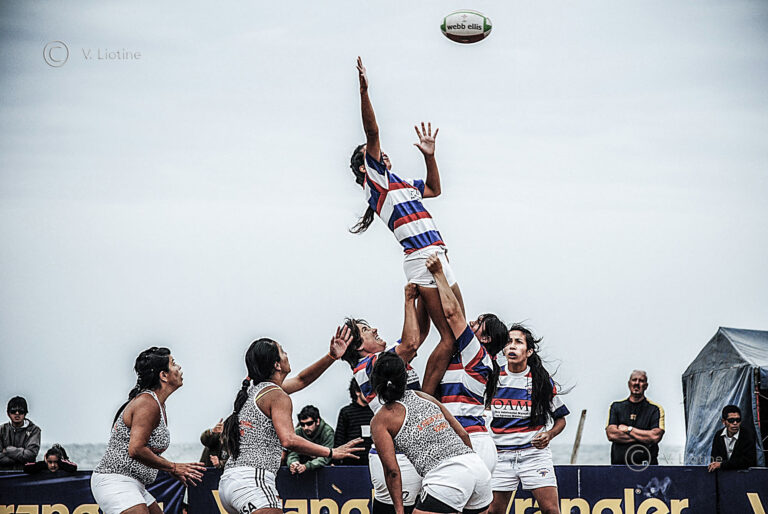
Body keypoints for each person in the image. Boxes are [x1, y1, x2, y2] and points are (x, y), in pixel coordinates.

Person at [349, 57, 466, 398]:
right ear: (365, 167)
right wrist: (364, 91)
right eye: (374, 154)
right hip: (422, 258)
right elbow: (372, 131)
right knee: (451, 337)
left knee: (457, 331)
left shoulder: (401, 183)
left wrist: (430, 156)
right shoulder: (377, 182)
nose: (382, 154)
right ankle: (426, 398)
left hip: (437, 254)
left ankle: (433, 390)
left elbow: (434, 189)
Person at [219, 333, 363, 514]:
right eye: (283, 351)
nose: (287, 354)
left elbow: (302, 380)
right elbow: (288, 440)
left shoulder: (255, 392)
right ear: (277, 365)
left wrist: (331, 356)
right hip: (253, 481)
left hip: (229, 482)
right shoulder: (276, 395)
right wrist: (331, 452)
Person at [340, 284, 428, 514]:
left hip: (404, 454)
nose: (375, 329)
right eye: (366, 329)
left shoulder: (381, 359)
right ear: (359, 346)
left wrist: (425, 295)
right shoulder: (371, 364)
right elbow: (411, 343)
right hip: (399, 458)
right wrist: (408, 299)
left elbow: (418, 334)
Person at [370, 352, 492, 514]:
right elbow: (463, 434)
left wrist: (399, 511)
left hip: (448, 476)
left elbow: (392, 471)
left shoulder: (380, 420)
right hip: (477, 468)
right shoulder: (423, 396)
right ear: (405, 377)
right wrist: (469, 466)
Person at [91, 347, 206, 514]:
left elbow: (147, 450)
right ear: (163, 375)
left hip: (135, 484)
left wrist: (169, 469)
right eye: (173, 363)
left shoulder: (157, 404)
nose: (179, 367)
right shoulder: (147, 402)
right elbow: (136, 449)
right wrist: (173, 467)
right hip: (115, 480)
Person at [424, 254, 509, 473]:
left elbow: (454, 314)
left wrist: (439, 274)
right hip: (465, 440)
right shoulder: (469, 357)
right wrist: (445, 273)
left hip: (470, 440)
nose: (471, 322)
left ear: (486, 339)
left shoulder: (477, 354)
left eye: (479, 322)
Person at [487, 325, 570, 514]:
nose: (512, 346)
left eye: (518, 342)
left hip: (533, 455)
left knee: (551, 510)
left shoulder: (540, 380)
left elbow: (561, 419)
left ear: (529, 351)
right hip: (500, 456)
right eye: (508, 342)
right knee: (493, 512)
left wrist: (549, 434)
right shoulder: (493, 377)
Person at [606, 370, 665, 466]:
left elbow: (655, 436)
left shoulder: (655, 409)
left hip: (647, 467)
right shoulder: (616, 407)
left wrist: (628, 429)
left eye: (641, 381)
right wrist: (644, 437)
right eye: (634, 380)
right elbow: (611, 434)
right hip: (619, 467)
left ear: (646, 386)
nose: (637, 383)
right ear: (629, 384)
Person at [334, 379, 374, 466]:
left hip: (373, 462)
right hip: (351, 464)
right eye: (367, 390)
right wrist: (336, 463)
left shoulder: (376, 412)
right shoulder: (346, 412)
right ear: (357, 392)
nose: (370, 394)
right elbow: (339, 440)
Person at [286, 405, 335, 474]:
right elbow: (292, 453)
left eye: (309, 423)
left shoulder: (327, 432)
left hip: (322, 470)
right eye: (302, 424)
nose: (306, 427)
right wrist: (293, 463)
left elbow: (327, 456)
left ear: (317, 421)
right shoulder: (297, 432)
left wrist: (307, 466)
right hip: (301, 468)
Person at [708, 404, 757, 472]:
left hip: (742, 475)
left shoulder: (748, 435)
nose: (735, 423)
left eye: (738, 420)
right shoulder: (719, 435)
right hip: (723, 475)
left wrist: (722, 465)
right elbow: (715, 458)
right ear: (724, 422)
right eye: (731, 420)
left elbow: (748, 461)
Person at [0, 396, 41, 470]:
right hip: (4, 474)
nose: (17, 413)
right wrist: (20, 457)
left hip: (25, 474)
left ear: (25, 413)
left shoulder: (34, 430)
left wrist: (8, 450)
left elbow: (31, 455)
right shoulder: (1, 430)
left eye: (21, 411)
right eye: (13, 411)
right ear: (8, 413)